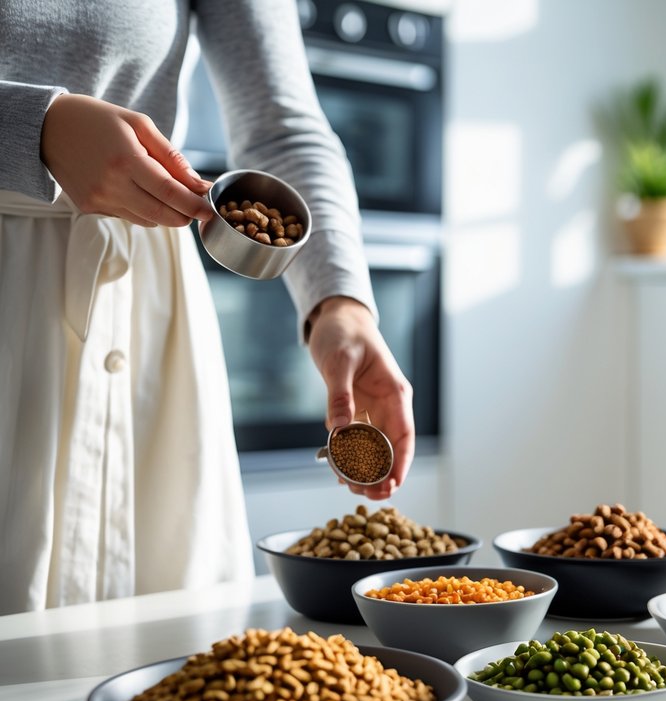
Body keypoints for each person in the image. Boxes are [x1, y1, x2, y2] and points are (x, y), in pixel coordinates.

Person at [0, 1, 415, 613]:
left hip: (143, 308)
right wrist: (33, 128)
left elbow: (280, 126)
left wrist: (340, 302)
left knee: (162, 641)